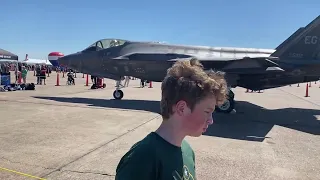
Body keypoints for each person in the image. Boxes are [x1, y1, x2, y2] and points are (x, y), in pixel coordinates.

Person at [115, 58, 228, 180]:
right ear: (182, 108)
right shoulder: (142, 159)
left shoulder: (187, 151)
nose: (211, 120)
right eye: (207, 112)